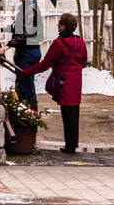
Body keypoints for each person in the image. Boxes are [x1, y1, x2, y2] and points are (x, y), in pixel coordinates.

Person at [14, 13, 87, 154]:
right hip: (76, 81)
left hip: (64, 81)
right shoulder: (80, 42)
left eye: (60, 23)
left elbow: (45, 64)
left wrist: (26, 72)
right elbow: (83, 62)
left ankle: (70, 146)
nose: (57, 25)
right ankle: (72, 144)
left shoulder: (59, 44)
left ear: (64, 25)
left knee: (67, 113)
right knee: (74, 112)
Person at [1, 0, 42, 110]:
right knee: (24, 84)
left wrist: (8, 45)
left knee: (25, 87)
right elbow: (20, 29)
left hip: (27, 52)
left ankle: (29, 117)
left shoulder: (30, 7)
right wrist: (2, 29)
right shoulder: (28, 6)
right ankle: (28, 115)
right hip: (28, 51)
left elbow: (26, 33)